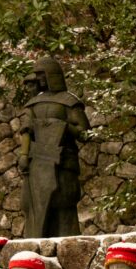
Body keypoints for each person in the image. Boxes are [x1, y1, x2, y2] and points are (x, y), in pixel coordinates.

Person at [18, 56, 90, 238]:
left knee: (63, 204)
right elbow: (26, 130)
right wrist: (23, 155)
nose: (40, 78)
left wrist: (63, 126)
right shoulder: (33, 104)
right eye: (38, 74)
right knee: (35, 207)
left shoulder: (69, 101)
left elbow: (85, 133)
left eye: (43, 74)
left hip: (63, 162)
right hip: (38, 165)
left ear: (53, 75)